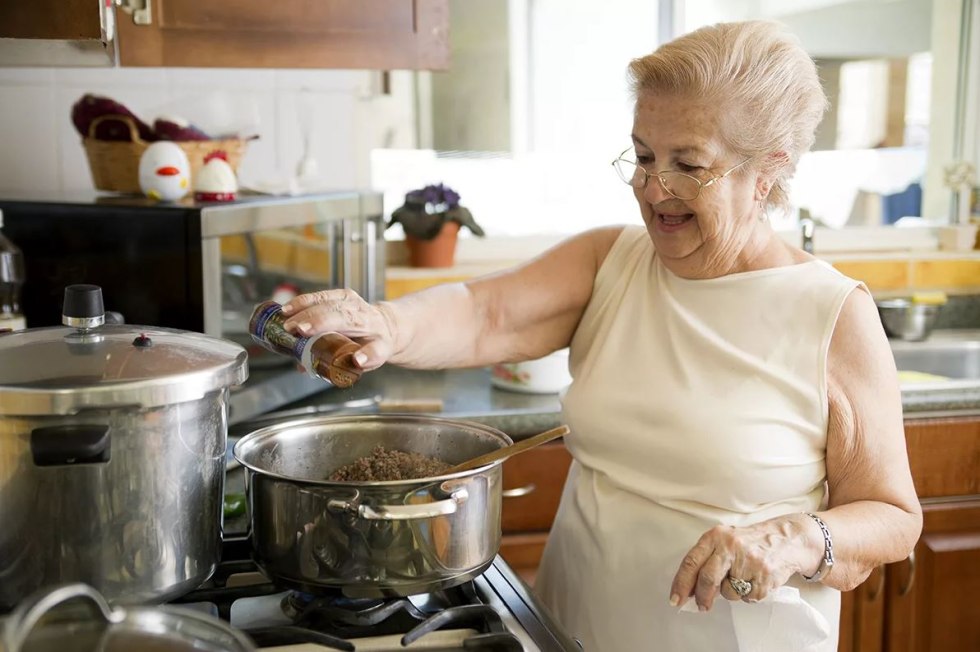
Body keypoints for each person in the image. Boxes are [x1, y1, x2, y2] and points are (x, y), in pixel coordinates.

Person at [279, 20, 922, 651]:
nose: (652, 188)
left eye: (687, 164)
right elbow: (486, 313)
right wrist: (389, 325)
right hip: (575, 625)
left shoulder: (833, 313)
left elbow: (892, 517)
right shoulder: (612, 260)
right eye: (643, 156)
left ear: (769, 171)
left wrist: (796, 539)